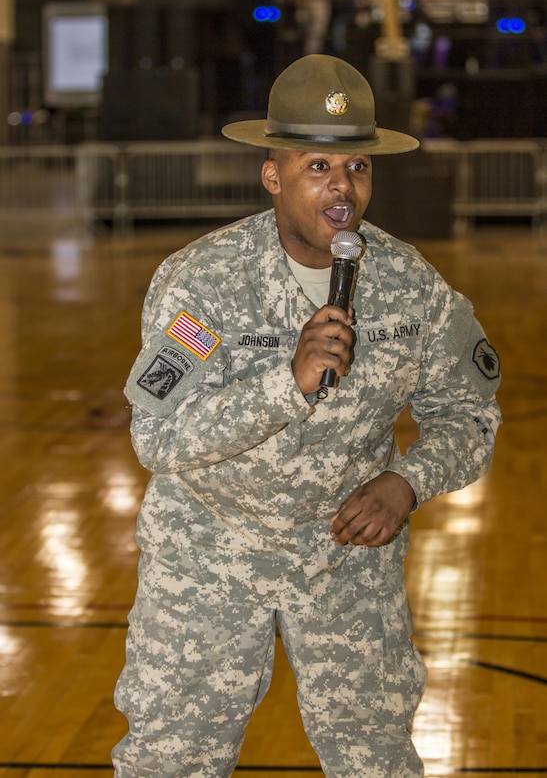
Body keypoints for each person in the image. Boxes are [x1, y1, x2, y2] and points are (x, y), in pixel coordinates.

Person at [112, 54, 501, 777]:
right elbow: (156, 438)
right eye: (317, 166)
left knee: (374, 760)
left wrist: (406, 483)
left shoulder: (412, 287)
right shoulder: (203, 286)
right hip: (209, 557)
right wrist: (284, 382)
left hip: (344, 558)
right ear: (273, 175)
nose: (341, 190)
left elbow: (470, 417)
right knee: (171, 759)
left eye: (356, 168)